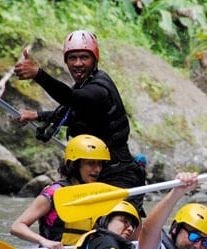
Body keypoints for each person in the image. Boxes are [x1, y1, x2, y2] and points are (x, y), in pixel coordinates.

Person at [13, 30, 145, 212]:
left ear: (95, 59)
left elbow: (73, 99)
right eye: (72, 58)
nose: (78, 63)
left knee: (114, 227)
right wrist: (37, 115)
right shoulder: (84, 86)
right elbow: (74, 114)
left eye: (84, 57)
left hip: (119, 175)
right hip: (92, 174)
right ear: (66, 61)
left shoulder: (99, 88)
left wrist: (39, 74)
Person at [10, 134, 110, 249]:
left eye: (100, 164)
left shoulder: (96, 194)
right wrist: (45, 242)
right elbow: (17, 226)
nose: (97, 169)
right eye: (91, 163)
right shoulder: (54, 193)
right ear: (74, 165)